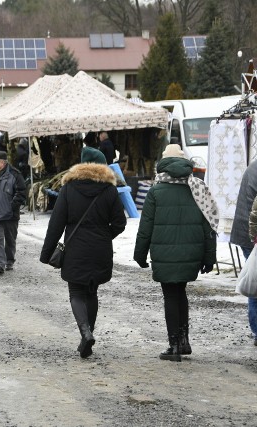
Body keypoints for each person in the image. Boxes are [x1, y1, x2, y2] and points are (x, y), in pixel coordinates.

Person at [40, 147, 126, 358]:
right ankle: (87, 336)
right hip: (100, 250)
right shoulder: (109, 190)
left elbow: (56, 223)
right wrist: (104, 237)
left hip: (75, 249)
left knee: (76, 292)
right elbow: (120, 223)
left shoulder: (69, 189)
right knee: (92, 292)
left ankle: (85, 333)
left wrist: (47, 252)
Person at [134, 144, 218, 362]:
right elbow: (209, 224)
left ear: (163, 164)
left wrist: (140, 254)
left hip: (165, 254)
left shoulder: (156, 190)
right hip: (192, 252)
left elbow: (146, 226)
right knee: (181, 293)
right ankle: (184, 341)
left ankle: (174, 346)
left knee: (171, 295)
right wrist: (210, 257)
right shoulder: (197, 187)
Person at [0, 150, 27, 275]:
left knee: (10, 239)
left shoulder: (15, 175)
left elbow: (22, 193)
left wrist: (11, 206)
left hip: (10, 215)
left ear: (1, 163)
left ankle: (9, 261)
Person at [231, 159, 257, 347]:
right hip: (252, 235)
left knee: (255, 283)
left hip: (246, 232)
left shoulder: (253, 167)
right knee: (255, 283)